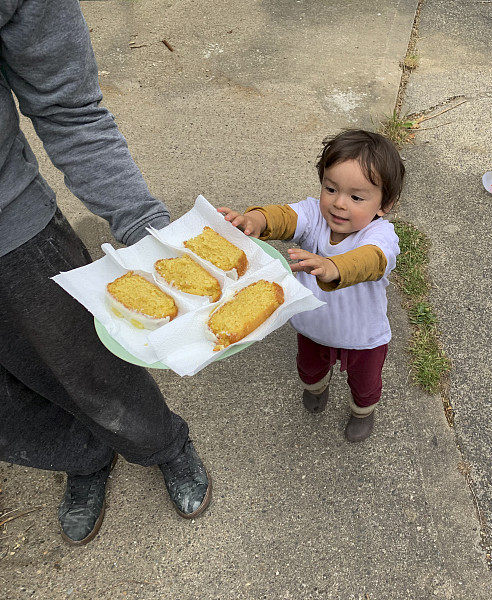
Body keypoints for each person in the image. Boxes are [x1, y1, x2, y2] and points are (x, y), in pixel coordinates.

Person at [0, 0, 211, 545]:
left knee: (93, 368)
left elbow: (68, 109)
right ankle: (82, 456)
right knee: (11, 407)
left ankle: (162, 444)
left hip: (12, 230)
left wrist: (145, 226)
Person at [218, 129, 404, 442]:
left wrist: (334, 267)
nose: (339, 204)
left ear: (384, 204)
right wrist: (254, 222)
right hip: (312, 327)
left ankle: (363, 411)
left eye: (356, 197)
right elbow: (284, 216)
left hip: (364, 337)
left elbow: (371, 261)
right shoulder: (314, 215)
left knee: (366, 384)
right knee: (308, 369)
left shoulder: (381, 236)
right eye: (330, 188)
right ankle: (316, 389)